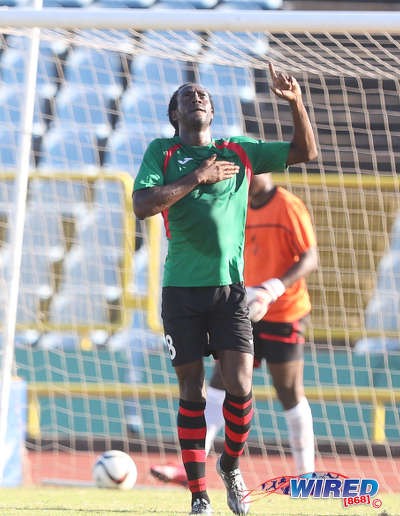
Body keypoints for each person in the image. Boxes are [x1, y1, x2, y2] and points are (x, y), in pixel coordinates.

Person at [133, 63, 317, 515]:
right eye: (186, 94)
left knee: (238, 384)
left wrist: (295, 103)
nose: (197, 96)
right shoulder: (162, 151)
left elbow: (304, 151)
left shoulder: (239, 150)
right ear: (174, 113)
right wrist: (198, 176)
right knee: (192, 389)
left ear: (212, 111)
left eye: (203, 94)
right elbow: (142, 205)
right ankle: (199, 496)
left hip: (230, 292)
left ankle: (230, 465)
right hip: (180, 291)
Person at [150, 172, 318, 490]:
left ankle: (305, 477)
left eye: (247, 168)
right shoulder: (235, 204)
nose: (241, 175)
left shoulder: (288, 206)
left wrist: (273, 288)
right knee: (220, 382)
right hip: (244, 308)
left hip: (284, 311)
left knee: (288, 390)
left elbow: (310, 258)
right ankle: (193, 465)